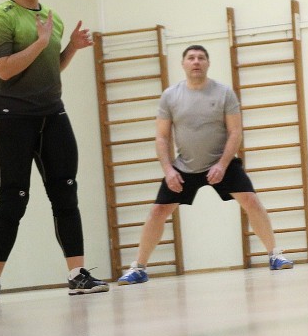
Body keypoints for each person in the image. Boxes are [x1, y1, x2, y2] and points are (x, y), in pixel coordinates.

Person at [0, 0, 108, 306]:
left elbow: (50, 67)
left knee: (66, 193)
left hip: (53, 115)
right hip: (12, 117)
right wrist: (39, 42)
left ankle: (77, 274)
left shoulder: (52, 18)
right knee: (13, 198)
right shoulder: (0, 16)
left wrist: (71, 49)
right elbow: (4, 69)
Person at [117, 45, 293, 284]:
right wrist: (168, 170)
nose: (196, 61)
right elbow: (162, 137)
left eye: (201, 58)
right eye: (191, 58)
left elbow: (235, 132)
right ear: (183, 64)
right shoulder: (170, 96)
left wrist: (222, 164)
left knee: (251, 200)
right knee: (158, 211)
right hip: (184, 167)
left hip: (222, 163)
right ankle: (139, 268)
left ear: (208, 63)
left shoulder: (224, 93)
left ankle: (275, 255)